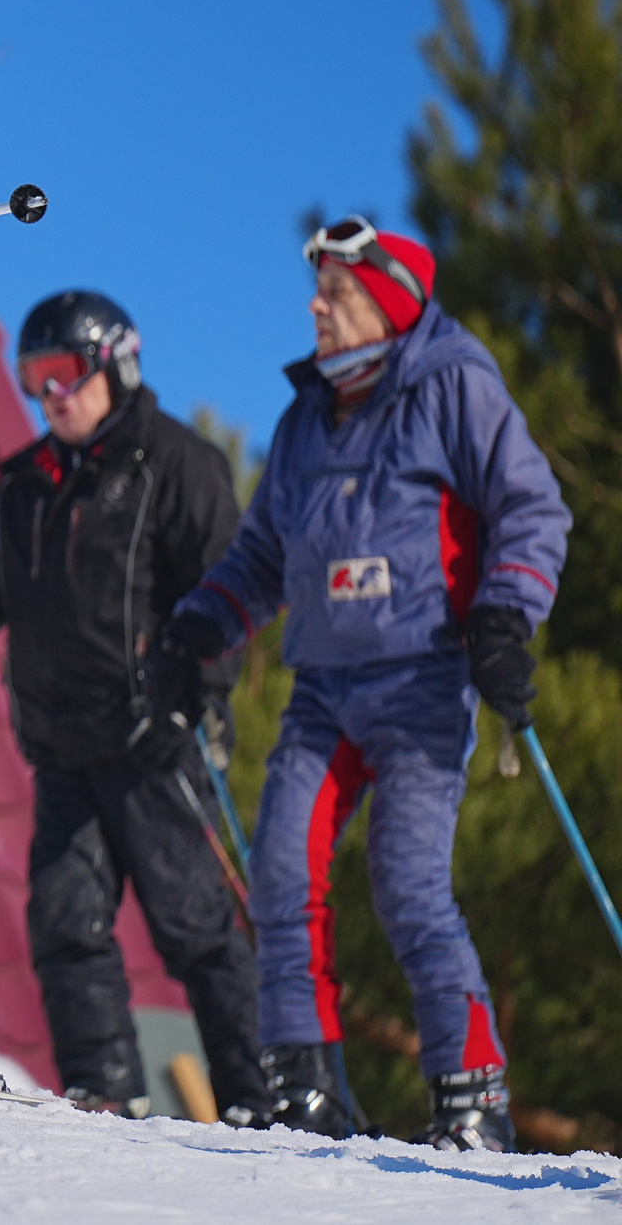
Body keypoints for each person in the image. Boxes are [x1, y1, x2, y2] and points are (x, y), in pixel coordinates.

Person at [158, 219, 568, 1151]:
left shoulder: (452, 385)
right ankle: (299, 1083)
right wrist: (199, 625)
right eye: (319, 293)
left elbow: (530, 508)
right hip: (324, 690)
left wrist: (506, 614)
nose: (315, 307)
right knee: (279, 871)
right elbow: (261, 556)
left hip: (423, 675)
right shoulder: (308, 417)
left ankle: (472, 1098)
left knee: (409, 882)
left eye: (336, 294)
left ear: (386, 299)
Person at [0, 292, 265, 1117]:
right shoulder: (25, 489)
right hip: (64, 747)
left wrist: (194, 696)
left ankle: (262, 1094)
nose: (52, 396)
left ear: (117, 364)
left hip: (155, 740)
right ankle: (104, 1093)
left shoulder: (175, 463)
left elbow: (231, 591)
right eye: (34, 378)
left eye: (67, 374)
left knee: (193, 926)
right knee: (67, 924)